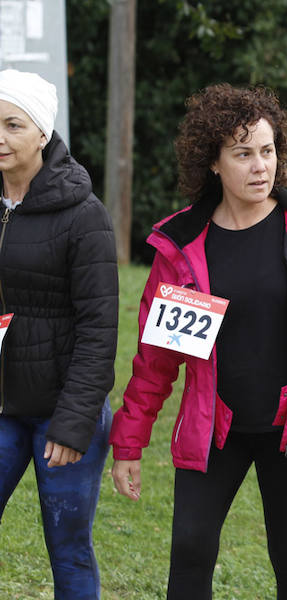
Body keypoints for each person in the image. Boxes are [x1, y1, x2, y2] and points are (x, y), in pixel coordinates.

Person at [109, 83, 287, 599]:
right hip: (214, 428)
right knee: (189, 552)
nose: (260, 166)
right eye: (243, 153)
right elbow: (155, 358)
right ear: (214, 162)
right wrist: (129, 440)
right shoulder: (181, 246)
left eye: (267, 151)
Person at [0, 69, 118, 599]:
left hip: (62, 414)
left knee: (67, 547)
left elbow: (99, 329)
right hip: (2, 406)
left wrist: (73, 425)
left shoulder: (83, 215)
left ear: (42, 134)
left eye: (12, 125)